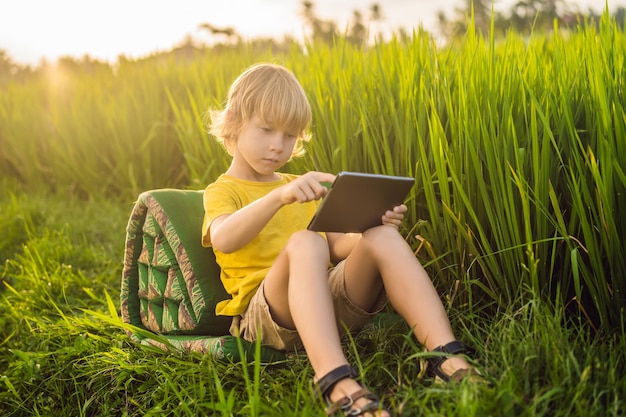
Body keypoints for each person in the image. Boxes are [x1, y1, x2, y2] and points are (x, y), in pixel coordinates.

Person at [201, 63, 479, 417]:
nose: (277, 146)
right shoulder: (223, 190)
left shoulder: (296, 184)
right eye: (266, 130)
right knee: (307, 242)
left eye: (289, 136)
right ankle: (336, 382)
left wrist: (369, 226)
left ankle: (446, 359)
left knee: (379, 236)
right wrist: (278, 198)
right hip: (266, 318)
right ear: (234, 125)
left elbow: (336, 246)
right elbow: (224, 238)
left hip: (320, 303)